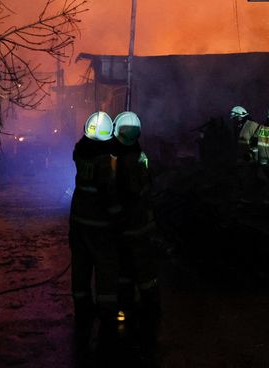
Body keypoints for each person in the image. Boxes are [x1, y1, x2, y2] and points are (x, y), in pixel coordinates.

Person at [69, 111, 121, 354]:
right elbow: (109, 193)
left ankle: (83, 315)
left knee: (80, 272)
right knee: (106, 273)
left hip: (79, 225)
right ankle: (108, 322)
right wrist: (119, 215)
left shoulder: (81, 153)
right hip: (101, 229)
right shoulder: (104, 160)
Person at [112, 111, 160, 360]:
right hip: (143, 225)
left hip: (124, 227)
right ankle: (150, 311)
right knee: (146, 273)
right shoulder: (142, 156)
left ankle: (124, 310)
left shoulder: (114, 159)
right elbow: (148, 185)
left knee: (124, 272)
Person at [230, 105, 260, 204]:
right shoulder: (245, 125)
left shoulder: (250, 127)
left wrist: (251, 158)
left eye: (235, 119)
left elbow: (254, 145)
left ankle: (249, 201)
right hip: (246, 160)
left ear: (239, 117)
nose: (234, 122)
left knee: (249, 181)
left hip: (250, 161)